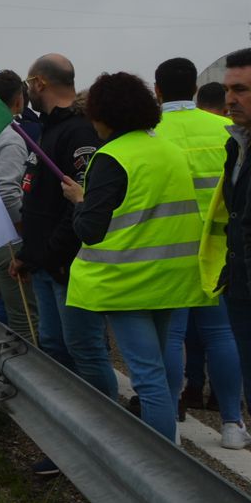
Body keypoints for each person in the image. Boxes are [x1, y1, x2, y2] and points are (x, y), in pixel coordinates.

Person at [62, 71, 214, 443]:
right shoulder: (167, 149)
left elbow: (89, 230)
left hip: (127, 282)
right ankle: (171, 451)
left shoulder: (112, 156)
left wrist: (79, 200)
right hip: (172, 277)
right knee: (160, 372)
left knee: (147, 378)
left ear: (104, 114)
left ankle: (164, 469)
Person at [152, 57, 245, 448]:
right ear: (195, 89)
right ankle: (232, 424)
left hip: (169, 249)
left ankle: (169, 420)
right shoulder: (225, 127)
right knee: (221, 333)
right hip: (218, 250)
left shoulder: (151, 131)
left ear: (157, 90)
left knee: (171, 338)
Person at [11, 54, 103, 392]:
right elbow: (40, 203)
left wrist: (49, 252)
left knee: (85, 349)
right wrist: (27, 253)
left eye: (29, 81)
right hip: (44, 264)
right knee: (53, 345)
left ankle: (107, 430)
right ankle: (71, 426)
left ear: (39, 83)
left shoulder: (78, 130)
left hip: (69, 266)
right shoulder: (48, 129)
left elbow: (81, 201)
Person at [203, 48, 251, 438]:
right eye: (227, 89)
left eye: (240, 89)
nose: (229, 99)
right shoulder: (236, 145)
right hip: (239, 286)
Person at [0, 71, 34, 342]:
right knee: (27, 323)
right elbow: (7, 193)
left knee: (4, 314)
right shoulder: (10, 137)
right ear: (18, 100)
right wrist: (26, 231)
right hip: (8, 240)